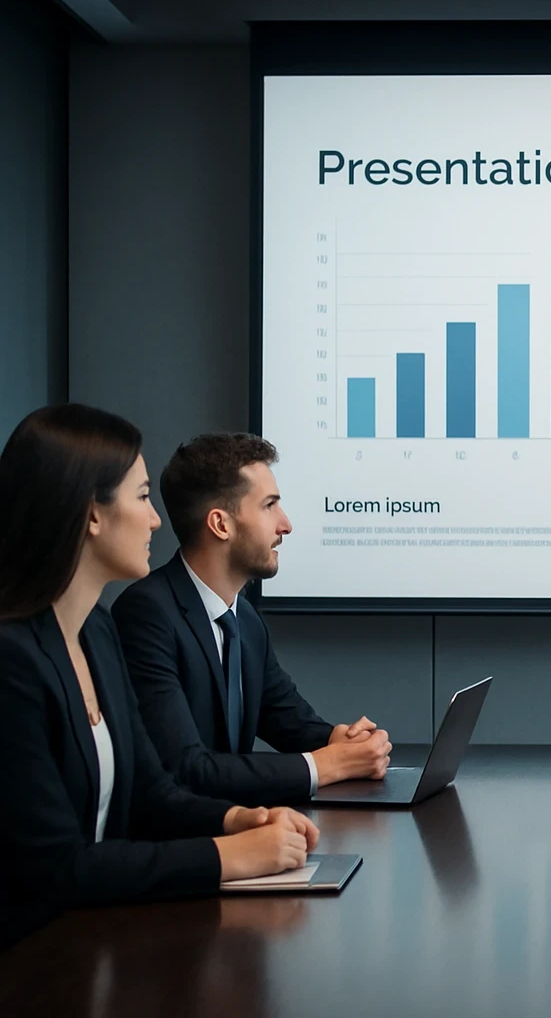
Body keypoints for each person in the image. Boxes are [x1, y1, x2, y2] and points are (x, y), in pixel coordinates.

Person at [0, 405, 318, 949]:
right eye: (143, 498)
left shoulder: (96, 633)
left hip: (91, 941)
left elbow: (154, 795)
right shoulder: (11, 662)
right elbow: (55, 870)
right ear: (91, 514)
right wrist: (227, 855)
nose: (155, 520)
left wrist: (239, 818)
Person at [111, 433, 390, 805]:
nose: (285, 525)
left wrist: (342, 741)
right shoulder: (146, 614)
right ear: (221, 525)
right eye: (269, 506)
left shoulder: (243, 618)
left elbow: (289, 721)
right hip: (181, 847)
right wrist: (327, 765)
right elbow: (186, 768)